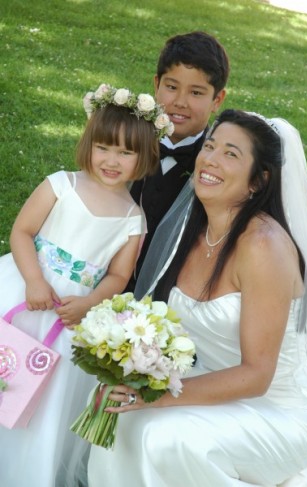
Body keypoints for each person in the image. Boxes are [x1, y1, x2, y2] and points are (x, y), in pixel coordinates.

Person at [87, 110, 307, 486]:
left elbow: (257, 376)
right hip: (210, 385)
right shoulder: (195, 229)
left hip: (274, 411)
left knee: (165, 438)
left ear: (257, 181)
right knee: (115, 409)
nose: (210, 159)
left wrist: (156, 397)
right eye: (210, 146)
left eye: (231, 154)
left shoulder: (264, 247)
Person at [0, 83, 173, 487]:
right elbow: (22, 233)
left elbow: (118, 274)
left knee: (44, 392)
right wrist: (34, 280)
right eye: (104, 147)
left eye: (126, 152)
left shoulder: (134, 219)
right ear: (88, 144)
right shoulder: (61, 185)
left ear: (143, 157)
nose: (112, 160)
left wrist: (91, 302)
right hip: (26, 289)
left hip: (71, 311)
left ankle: (25, 464)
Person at [128, 31, 229, 289]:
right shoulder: (126, 143)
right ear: (156, 84)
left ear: (217, 100)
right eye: (171, 87)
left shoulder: (216, 168)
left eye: (196, 93)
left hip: (172, 290)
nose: (180, 102)